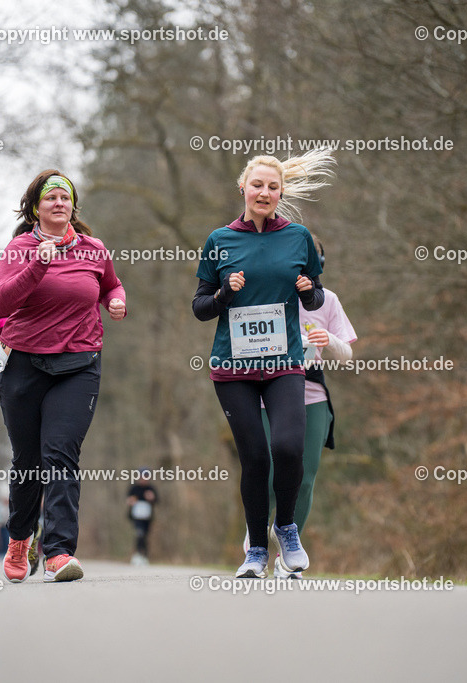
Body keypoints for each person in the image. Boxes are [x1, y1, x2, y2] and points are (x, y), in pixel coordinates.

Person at [192, 149, 334, 578]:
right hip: (233, 367)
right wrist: (224, 295)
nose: (265, 193)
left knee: (288, 448)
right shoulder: (220, 241)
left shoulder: (299, 238)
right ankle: (255, 550)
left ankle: (286, 527)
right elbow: (200, 307)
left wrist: (308, 291)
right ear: (243, 188)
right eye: (257, 185)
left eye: (273, 187)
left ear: (281, 192)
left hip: (285, 362)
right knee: (254, 458)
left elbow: (317, 297)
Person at [0, 169, 126, 583]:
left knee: (61, 455)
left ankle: (59, 552)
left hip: (79, 363)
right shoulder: (19, 248)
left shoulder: (93, 248)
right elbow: (1, 301)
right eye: (50, 197)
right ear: (36, 207)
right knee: (28, 461)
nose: (58, 202)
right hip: (24, 365)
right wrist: (36, 266)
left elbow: (111, 286)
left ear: (73, 206)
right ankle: (20, 540)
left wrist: (117, 301)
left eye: (65, 197)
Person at [260, 233, 357, 578]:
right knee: (269, 473)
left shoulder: (327, 300)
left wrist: (327, 339)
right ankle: (255, 541)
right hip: (266, 392)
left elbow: (346, 354)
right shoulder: (267, 294)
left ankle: (287, 557)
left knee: (305, 477)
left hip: (312, 394)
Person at [126, 469, 158, 565]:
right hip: (137, 516)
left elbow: (157, 500)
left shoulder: (151, 488)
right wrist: (131, 501)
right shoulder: (134, 488)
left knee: (145, 535)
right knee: (139, 533)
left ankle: (144, 555)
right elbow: (128, 500)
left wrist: (152, 498)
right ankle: (138, 554)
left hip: (147, 516)